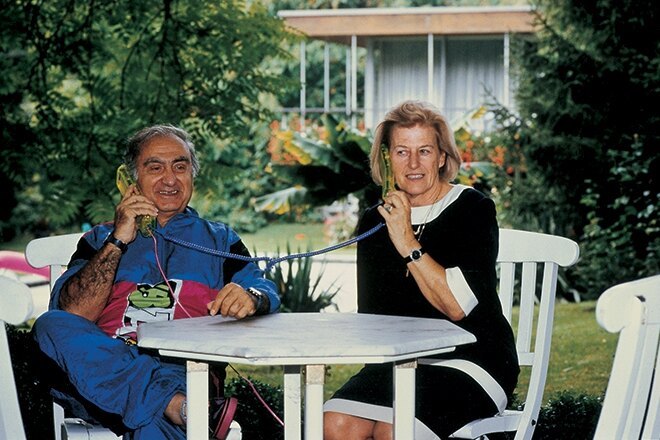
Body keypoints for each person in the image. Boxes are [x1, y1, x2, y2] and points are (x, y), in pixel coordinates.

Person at [32, 124, 280, 439]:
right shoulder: (99, 240)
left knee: (152, 418)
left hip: (187, 371)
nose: (170, 179)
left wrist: (251, 297)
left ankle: (172, 405)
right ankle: (174, 405)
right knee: (50, 324)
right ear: (131, 180)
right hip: (104, 371)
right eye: (155, 168)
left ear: (192, 175)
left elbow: (261, 288)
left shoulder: (219, 239)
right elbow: (73, 315)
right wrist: (118, 240)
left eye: (180, 166)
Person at [323, 101, 519, 439]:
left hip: (473, 360)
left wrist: (406, 241)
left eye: (424, 151)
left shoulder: (473, 209)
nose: (413, 164)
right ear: (387, 158)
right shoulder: (374, 220)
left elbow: (457, 306)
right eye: (402, 152)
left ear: (441, 157)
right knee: (334, 424)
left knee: (394, 430)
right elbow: (374, 318)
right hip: (400, 362)